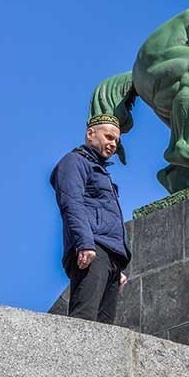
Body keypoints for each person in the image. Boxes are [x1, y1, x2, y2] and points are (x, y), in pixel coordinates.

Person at [50, 114, 131, 323]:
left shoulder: (102, 172)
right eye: (109, 137)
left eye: (116, 141)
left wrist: (117, 268)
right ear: (90, 134)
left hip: (111, 256)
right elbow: (71, 203)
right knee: (83, 321)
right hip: (93, 249)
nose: (113, 144)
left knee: (105, 331)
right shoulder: (73, 162)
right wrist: (85, 243)